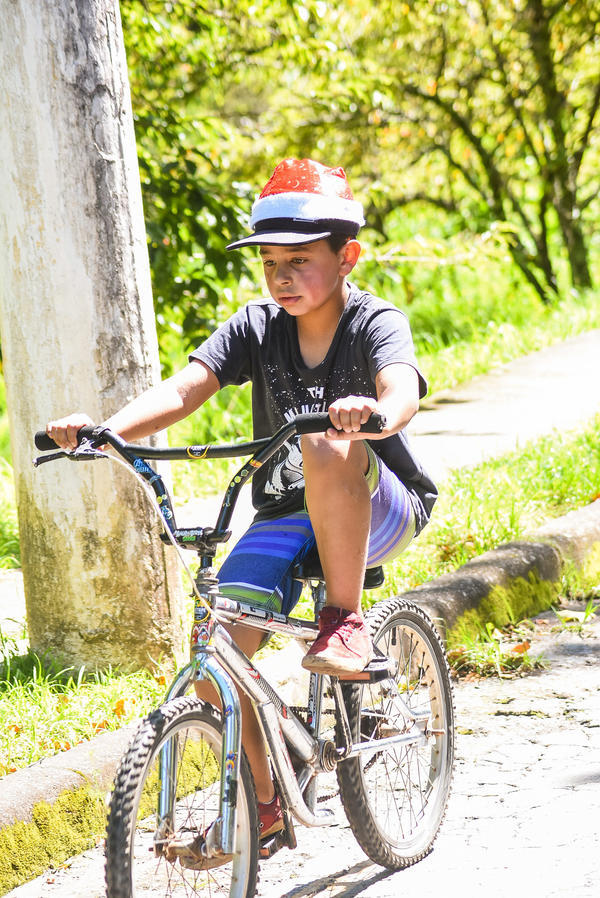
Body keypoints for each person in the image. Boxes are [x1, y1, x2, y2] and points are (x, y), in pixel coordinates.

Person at [46, 157, 437, 846]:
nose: (282, 276)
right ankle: (267, 799)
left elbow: (400, 382)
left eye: (300, 260)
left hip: (379, 503)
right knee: (217, 659)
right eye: (269, 263)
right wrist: (108, 431)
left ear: (347, 257)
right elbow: (185, 388)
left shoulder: (373, 320)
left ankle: (345, 618)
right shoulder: (257, 326)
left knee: (325, 442)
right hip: (289, 513)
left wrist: (376, 411)